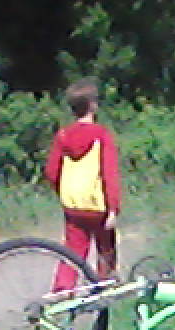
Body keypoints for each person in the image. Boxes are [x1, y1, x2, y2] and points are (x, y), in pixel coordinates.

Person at [44, 78, 121, 288]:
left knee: (72, 252)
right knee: (106, 249)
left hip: (73, 206)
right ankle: (104, 287)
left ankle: (62, 292)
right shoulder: (101, 135)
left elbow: (51, 172)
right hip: (98, 206)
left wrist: (63, 191)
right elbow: (109, 173)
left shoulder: (63, 135)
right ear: (93, 105)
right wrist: (113, 208)